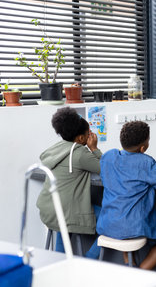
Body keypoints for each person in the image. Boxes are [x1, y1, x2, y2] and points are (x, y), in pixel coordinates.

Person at [97, 121, 156, 269]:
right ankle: (138, 275)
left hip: (107, 224)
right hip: (133, 227)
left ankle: (129, 264)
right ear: (143, 148)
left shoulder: (108, 157)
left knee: (124, 216)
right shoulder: (146, 162)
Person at [37, 107, 102, 258]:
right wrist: (94, 148)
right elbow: (105, 169)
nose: (90, 136)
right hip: (66, 212)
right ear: (80, 139)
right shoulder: (80, 153)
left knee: (63, 229)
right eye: (88, 134)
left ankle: (59, 266)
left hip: (51, 209)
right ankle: (87, 262)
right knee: (113, 221)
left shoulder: (56, 148)